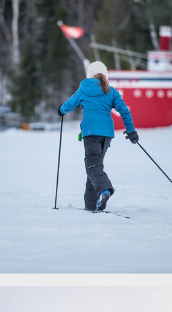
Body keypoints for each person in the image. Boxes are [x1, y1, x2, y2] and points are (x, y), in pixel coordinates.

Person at [59, 61, 138, 211]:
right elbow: (124, 111)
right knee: (95, 166)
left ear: (90, 75)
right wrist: (131, 131)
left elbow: (70, 104)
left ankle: (104, 190)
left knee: (93, 165)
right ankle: (91, 206)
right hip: (107, 134)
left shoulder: (84, 89)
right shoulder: (111, 91)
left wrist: (61, 110)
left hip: (90, 132)